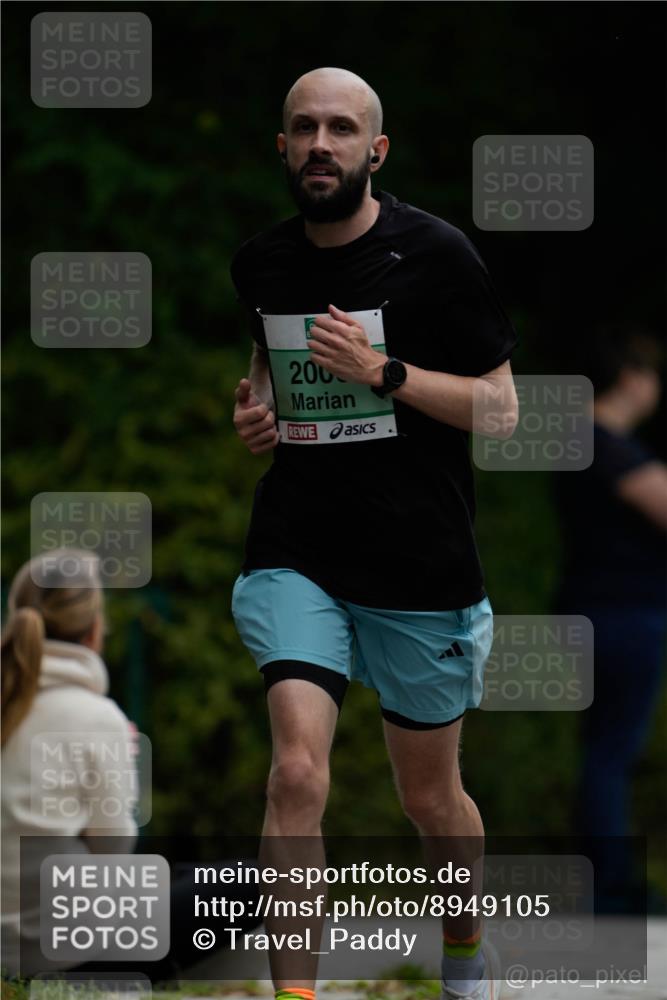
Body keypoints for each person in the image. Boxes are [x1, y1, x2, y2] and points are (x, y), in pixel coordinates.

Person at [230, 67, 518, 1000]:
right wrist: (258, 413)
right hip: (297, 550)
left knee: (430, 801)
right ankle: (296, 996)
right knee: (296, 773)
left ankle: (466, 950)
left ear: (374, 151)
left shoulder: (436, 256)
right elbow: (270, 371)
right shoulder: (263, 262)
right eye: (304, 129)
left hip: (418, 563)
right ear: (282, 147)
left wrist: (385, 371)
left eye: (341, 130)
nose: (321, 144)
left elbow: (502, 411)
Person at [1, 549, 260, 981]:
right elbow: (115, 851)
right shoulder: (95, 717)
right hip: (66, 959)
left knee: (180, 877)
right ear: (94, 630)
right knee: (260, 878)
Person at [553, 327, 667, 912]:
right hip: (622, 614)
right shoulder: (609, 445)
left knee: (602, 751)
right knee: (611, 754)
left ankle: (603, 881)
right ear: (631, 375)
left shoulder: (579, 443)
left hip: (591, 607)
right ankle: (609, 888)